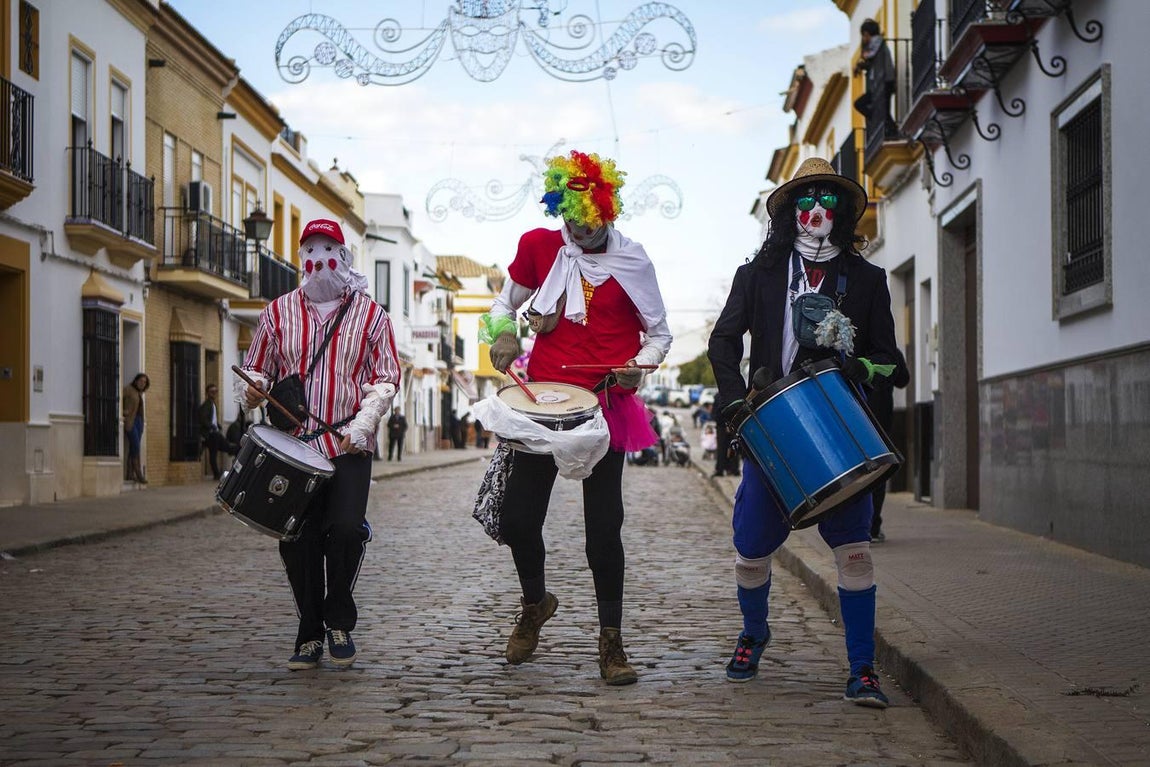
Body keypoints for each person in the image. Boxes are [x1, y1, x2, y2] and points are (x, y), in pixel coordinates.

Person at [708, 157, 902, 707]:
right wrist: (732, 404)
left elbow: (892, 363)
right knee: (750, 550)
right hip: (770, 428)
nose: (817, 211)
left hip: (840, 429)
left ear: (841, 215)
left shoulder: (866, 280)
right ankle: (753, 633)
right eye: (806, 201)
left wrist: (855, 362)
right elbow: (723, 343)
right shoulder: (759, 276)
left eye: (829, 202)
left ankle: (863, 669)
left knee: (855, 551)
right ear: (791, 212)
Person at [483, 149, 672, 685]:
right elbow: (503, 305)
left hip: (604, 404)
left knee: (602, 531)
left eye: (589, 220)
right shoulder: (538, 247)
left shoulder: (634, 260)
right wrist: (501, 333)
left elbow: (659, 336)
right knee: (519, 519)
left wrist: (641, 365)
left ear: (608, 211)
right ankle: (535, 602)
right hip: (540, 403)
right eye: (569, 217)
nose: (578, 228)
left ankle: (611, 641)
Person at [238, 218, 400, 671]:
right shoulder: (277, 311)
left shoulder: (372, 315)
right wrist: (252, 388)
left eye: (327, 249)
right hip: (294, 447)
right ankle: (309, 633)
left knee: (345, 530)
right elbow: (257, 366)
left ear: (344, 258)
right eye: (309, 250)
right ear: (301, 260)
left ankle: (338, 620)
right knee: (297, 538)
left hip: (348, 444)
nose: (318, 259)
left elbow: (385, 379)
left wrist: (364, 424)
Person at [868, 350, 909, 542]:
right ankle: (873, 526)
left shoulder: (851, 348)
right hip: (882, 422)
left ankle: (860, 528)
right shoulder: (890, 353)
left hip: (856, 420)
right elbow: (903, 380)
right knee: (878, 475)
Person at [853, 18, 897, 140]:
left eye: (863, 35)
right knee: (883, 110)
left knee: (864, 105)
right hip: (880, 82)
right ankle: (888, 126)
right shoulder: (876, 43)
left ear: (866, 34)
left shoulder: (876, 42)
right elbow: (870, 62)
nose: (863, 38)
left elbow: (868, 55)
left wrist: (860, 61)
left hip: (884, 81)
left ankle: (891, 129)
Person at [198, 383, 238, 480]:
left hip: (215, 433)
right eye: (212, 392)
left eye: (216, 391)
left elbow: (212, 419)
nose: (214, 394)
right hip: (211, 434)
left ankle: (232, 470)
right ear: (207, 393)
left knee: (229, 448)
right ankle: (217, 474)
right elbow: (203, 419)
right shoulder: (206, 405)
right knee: (213, 453)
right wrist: (211, 427)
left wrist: (218, 426)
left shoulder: (212, 404)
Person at [122, 373, 149, 484]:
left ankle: (129, 473)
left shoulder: (139, 393)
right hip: (131, 421)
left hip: (139, 422)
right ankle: (138, 472)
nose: (143, 384)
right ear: (136, 380)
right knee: (136, 445)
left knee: (134, 446)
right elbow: (119, 399)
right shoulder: (128, 389)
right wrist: (123, 412)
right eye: (141, 381)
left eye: (145, 382)